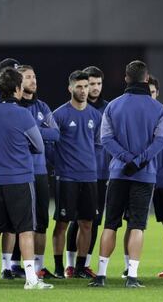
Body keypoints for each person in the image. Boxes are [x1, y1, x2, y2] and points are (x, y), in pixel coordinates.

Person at [89, 60, 163, 288]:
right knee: (137, 225)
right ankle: (132, 277)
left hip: (118, 173)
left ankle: (101, 275)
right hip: (144, 175)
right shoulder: (158, 109)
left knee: (110, 224)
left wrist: (125, 159)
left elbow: (105, 139)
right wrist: (139, 161)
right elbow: (160, 141)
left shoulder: (113, 106)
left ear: (126, 78)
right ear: (146, 79)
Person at [0, 67, 53, 290]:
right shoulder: (24, 114)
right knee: (25, 229)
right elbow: (39, 146)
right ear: (16, 89)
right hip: (20, 178)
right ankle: (31, 279)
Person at [122, 75, 163, 278]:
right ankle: (128, 267)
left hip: (162, 182)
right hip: (138, 179)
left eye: (153, 92)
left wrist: (159, 176)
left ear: (157, 93)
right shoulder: (136, 119)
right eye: (148, 92)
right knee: (133, 224)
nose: (150, 96)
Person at [52, 70, 101, 279]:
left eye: (86, 86)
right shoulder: (59, 114)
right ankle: (57, 266)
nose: (83, 90)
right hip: (67, 177)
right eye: (79, 87)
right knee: (62, 223)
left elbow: (98, 145)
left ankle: (80, 267)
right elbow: (49, 145)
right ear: (70, 88)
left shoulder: (95, 115)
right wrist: (58, 166)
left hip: (89, 177)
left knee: (87, 223)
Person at [13, 65, 59, 278]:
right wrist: (37, 133)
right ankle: (12, 265)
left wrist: (29, 131)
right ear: (18, 82)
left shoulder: (43, 107)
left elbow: (55, 134)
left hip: (39, 171)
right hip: (18, 172)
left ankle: (38, 268)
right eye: (28, 77)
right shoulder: (13, 107)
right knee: (17, 223)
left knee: (41, 222)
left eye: (34, 76)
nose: (33, 80)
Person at [65, 66, 108, 278]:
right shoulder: (67, 112)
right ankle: (69, 264)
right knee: (70, 220)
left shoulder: (107, 110)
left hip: (98, 174)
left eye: (98, 84)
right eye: (91, 84)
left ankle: (85, 263)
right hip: (72, 174)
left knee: (92, 220)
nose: (94, 88)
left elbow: (103, 144)